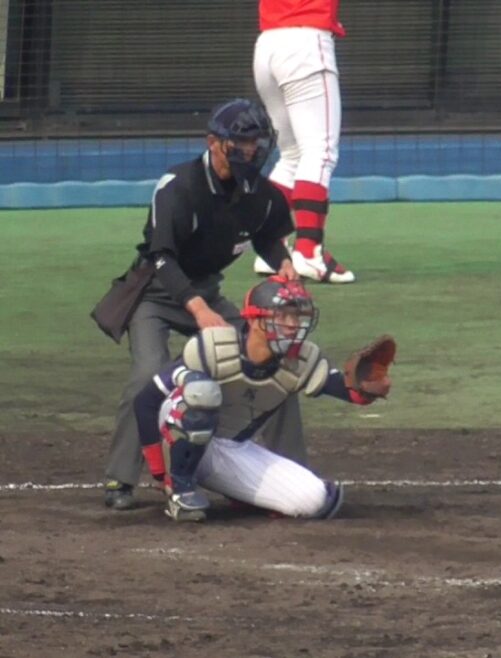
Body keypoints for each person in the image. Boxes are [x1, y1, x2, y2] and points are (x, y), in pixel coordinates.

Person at [100, 98, 310, 511]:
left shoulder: (260, 194)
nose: (251, 150)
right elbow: (162, 257)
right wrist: (198, 309)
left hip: (209, 290)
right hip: (156, 293)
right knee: (147, 373)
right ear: (214, 143)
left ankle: (291, 472)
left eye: (256, 142)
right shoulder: (178, 187)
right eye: (241, 142)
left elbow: (267, 237)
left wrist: (284, 263)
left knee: (272, 360)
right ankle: (120, 477)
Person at [135, 276, 389, 521]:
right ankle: (179, 490)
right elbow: (146, 401)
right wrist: (159, 471)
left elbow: (349, 390)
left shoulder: (300, 362)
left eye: (298, 316)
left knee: (316, 500)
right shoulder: (214, 348)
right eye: (283, 316)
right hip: (175, 434)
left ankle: (242, 493)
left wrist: (369, 387)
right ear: (256, 320)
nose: (293, 324)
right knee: (200, 391)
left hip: (228, 449)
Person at [251, 0, 355, 284]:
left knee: (292, 155)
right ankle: (309, 251)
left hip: (268, 44)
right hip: (306, 42)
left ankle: (271, 250)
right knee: (320, 152)